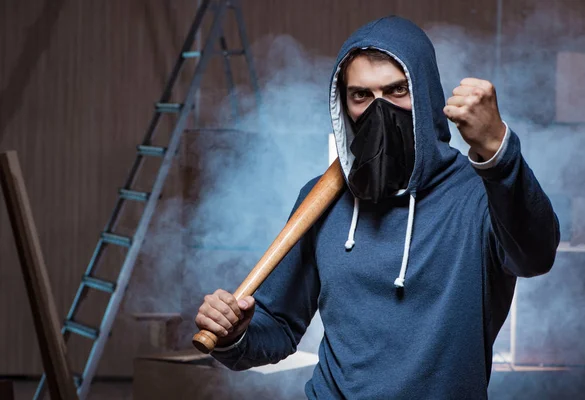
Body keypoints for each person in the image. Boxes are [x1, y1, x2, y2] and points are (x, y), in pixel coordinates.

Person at [195, 16, 560, 399]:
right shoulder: (321, 200)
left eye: (397, 90)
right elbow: (277, 326)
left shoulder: (482, 194)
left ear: (427, 94)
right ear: (344, 104)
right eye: (361, 95)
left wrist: (497, 151)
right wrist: (235, 335)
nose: (378, 109)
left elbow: (535, 256)